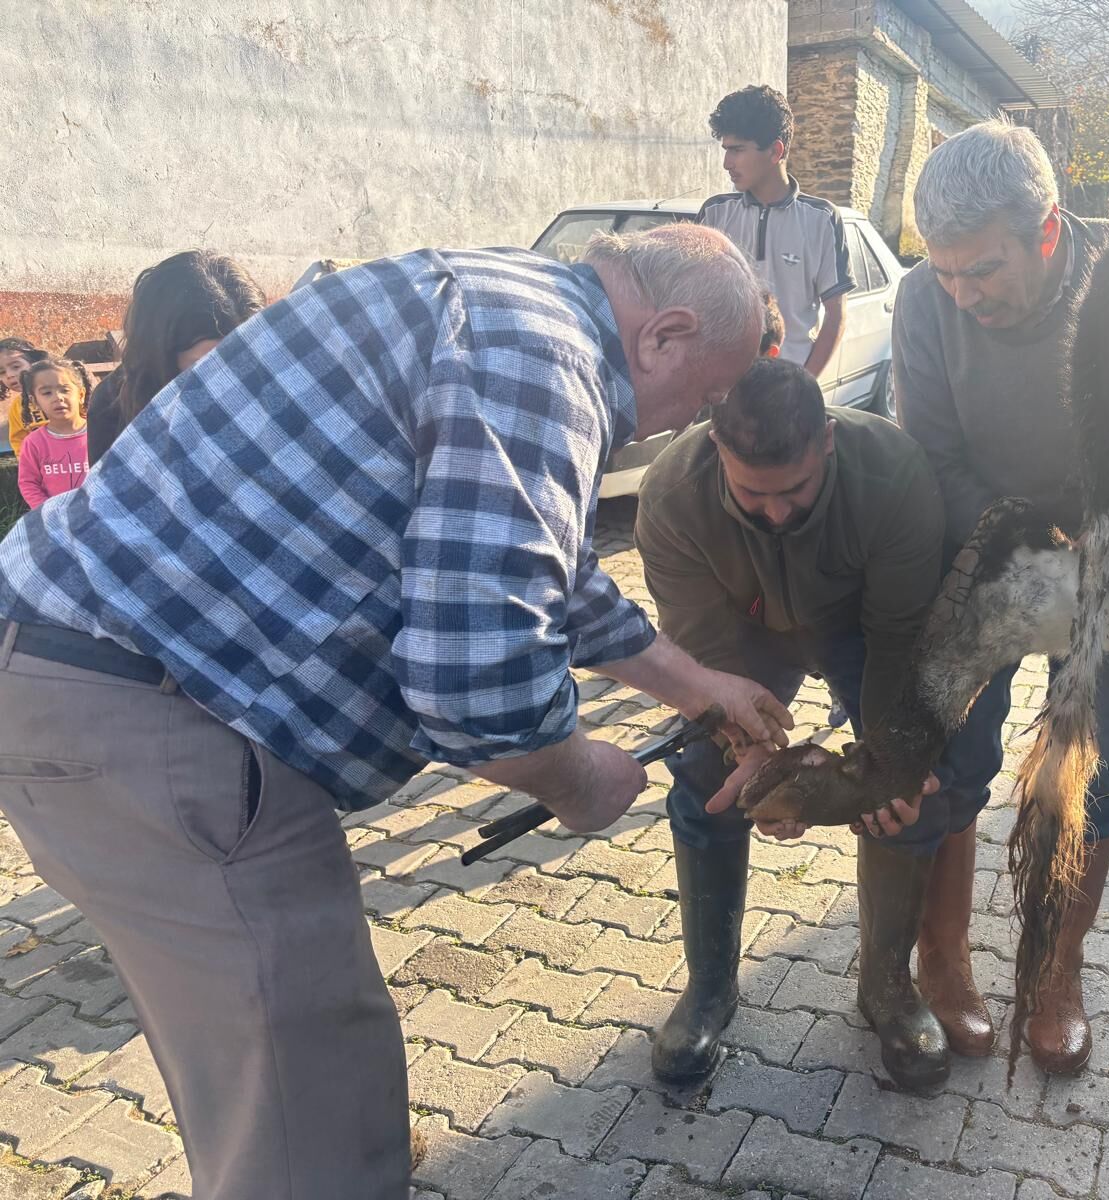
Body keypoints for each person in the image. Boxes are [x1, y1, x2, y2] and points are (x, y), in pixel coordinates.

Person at [0, 224, 794, 1199]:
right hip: (153, 718)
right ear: (665, 334)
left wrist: (699, 687)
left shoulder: (496, 301)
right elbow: (478, 682)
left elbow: (549, 576)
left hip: (71, 677)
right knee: (316, 1135)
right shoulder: (541, 360)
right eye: (703, 397)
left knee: (253, 1089)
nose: (682, 425)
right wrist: (584, 781)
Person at [636, 356, 1000, 1090]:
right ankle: (711, 987)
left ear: (827, 441)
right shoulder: (670, 496)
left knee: (909, 789)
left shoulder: (893, 471)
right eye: (752, 492)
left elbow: (898, 639)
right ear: (716, 449)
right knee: (707, 780)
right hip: (739, 636)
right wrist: (755, 757)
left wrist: (882, 765)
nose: (776, 511)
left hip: (860, 627)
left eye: (795, 489)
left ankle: (886, 989)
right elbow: (702, 658)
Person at [893, 120, 1109, 1076]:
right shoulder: (925, 301)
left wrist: (1099, 552)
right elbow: (935, 456)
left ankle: (1054, 972)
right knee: (957, 760)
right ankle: (943, 958)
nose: (964, 296)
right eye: (947, 273)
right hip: (988, 553)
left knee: (1091, 773)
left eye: (984, 271)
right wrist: (1027, 551)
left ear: (1046, 235)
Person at [697, 84, 853, 379]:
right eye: (725, 150)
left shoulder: (821, 220)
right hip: (721, 387)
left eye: (737, 150)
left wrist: (803, 383)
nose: (726, 163)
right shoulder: (714, 213)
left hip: (787, 387)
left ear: (775, 151)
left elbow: (836, 315)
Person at [86, 250, 267, 464]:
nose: (228, 379)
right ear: (160, 351)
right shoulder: (113, 405)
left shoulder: (268, 382)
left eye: (241, 358)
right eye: (206, 365)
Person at [15, 357, 90, 508]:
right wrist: (48, 512)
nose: (58, 397)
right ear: (34, 401)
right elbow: (28, 483)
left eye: (65, 390)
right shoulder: (34, 442)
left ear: (81, 395)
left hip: (98, 516)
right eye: (47, 393)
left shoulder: (99, 434)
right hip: (55, 521)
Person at [1, 339, 49, 456]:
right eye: (2, 372)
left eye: (16, 367)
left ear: (34, 364)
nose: (10, 375)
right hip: (45, 465)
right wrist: (27, 465)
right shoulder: (17, 408)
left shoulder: (63, 393)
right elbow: (19, 442)